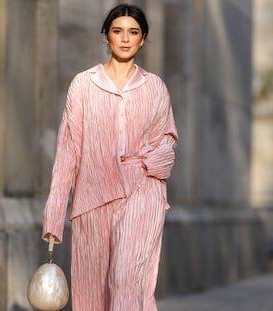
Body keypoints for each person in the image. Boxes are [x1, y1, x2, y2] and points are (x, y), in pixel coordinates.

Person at [42, 3, 178, 310]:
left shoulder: (155, 87)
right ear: (107, 36)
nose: (126, 39)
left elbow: (167, 143)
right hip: (92, 197)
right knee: (92, 292)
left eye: (134, 32)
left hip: (142, 192)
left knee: (125, 280)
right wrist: (54, 212)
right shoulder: (83, 85)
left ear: (143, 39)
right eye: (118, 31)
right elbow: (68, 150)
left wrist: (147, 164)